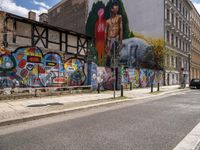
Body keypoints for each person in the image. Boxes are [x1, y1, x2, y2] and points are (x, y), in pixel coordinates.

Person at [105, 1, 123, 67]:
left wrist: (121, 42)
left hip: (116, 38)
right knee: (108, 55)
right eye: (115, 9)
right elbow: (105, 33)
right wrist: (105, 44)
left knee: (116, 54)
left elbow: (121, 29)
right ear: (112, 9)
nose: (117, 10)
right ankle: (108, 68)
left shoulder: (119, 17)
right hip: (109, 39)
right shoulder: (107, 21)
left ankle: (116, 68)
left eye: (117, 9)